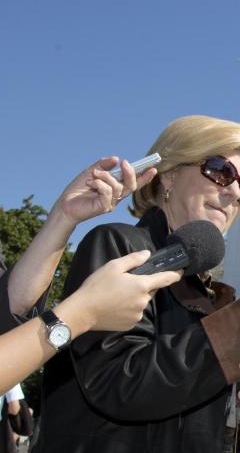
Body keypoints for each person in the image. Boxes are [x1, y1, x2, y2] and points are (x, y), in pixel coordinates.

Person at [21, 116, 240, 453]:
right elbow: (119, 383)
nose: (233, 192)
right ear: (167, 175)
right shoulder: (120, 248)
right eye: (219, 171)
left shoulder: (213, 295)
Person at [0, 157, 183, 393]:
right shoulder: (117, 241)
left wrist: (63, 216)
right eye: (220, 171)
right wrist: (83, 312)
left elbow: (5, 319)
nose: (232, 191)